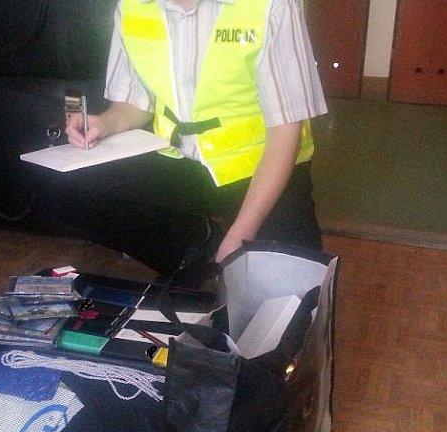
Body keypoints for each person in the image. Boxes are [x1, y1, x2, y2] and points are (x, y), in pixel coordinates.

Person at [51, 0, 327, 278]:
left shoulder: (271, 5)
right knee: (70, 191)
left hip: (261, 170)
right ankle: (199, 252)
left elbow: (286, 129)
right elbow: (136, 102)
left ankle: (209, 262)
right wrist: (104, 123)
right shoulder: (132, 6)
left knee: (294, 285)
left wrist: (240, 237)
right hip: (178, 161)